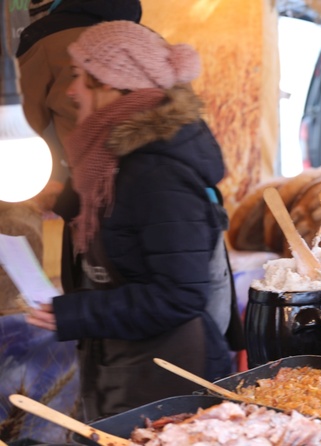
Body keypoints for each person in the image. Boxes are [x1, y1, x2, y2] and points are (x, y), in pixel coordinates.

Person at [25, 20, 237, 421]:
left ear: (116, 86)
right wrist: (65, 199)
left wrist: (76, 312)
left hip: (167, 375)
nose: (71, 92)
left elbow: (179, 293)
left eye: (82, 79)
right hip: (130, 362)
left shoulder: (157, 170)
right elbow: (130, 222)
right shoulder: (119, 159)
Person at [17, 0, 143, 292]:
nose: (72, 91)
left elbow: (16, 131)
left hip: (96, 220)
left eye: (78, 78)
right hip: (101, 210)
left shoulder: (47, 40)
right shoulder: (150, 42)